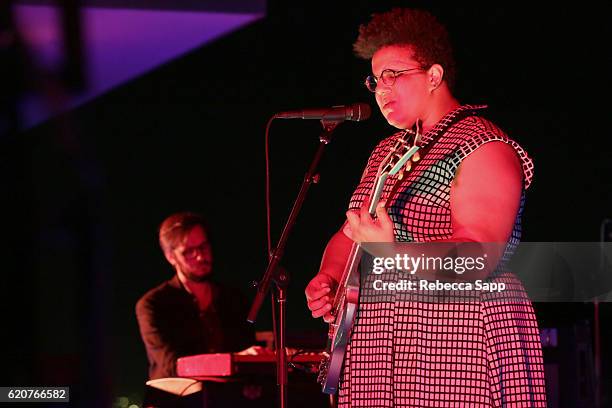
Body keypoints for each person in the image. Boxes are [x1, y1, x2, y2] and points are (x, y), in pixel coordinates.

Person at [305, 8, 547, 407]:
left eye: (393, 75)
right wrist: (330, 277)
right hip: (381, 344)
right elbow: (351, 233)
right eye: (375, 79)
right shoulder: (388, 151)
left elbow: (480, 254)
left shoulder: (484, 146)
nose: (381, 90)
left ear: (434, 75)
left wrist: (392, 254)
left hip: (459, 335)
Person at [136, 212, 255, 380]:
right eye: (188, 251)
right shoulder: (152, 304)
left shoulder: (234, 298)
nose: (200, 256)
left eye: (204, 246)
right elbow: (171, 364)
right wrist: (232, 360)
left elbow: (247, 348)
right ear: (171, 257)